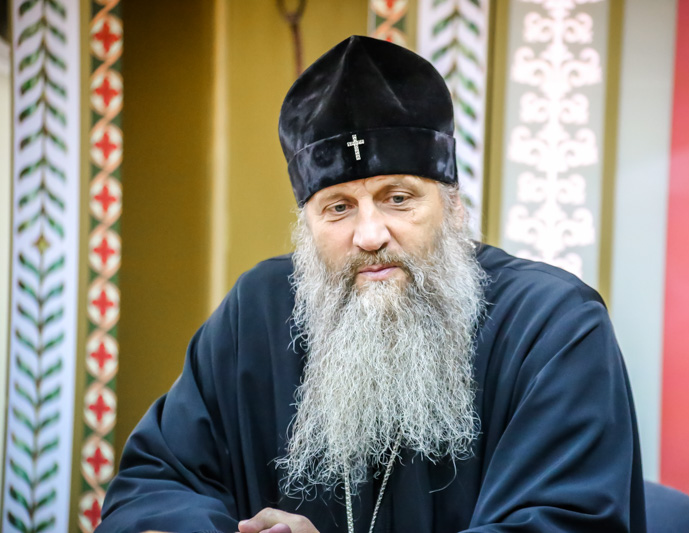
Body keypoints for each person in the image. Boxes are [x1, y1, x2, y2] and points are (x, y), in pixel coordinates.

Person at [98, 35, 646, 533]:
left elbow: (564, 522)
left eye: (397, 198)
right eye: (338, 207)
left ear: (453, 207)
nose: (369, 235)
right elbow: (153, 486)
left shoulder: (553, 325)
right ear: (307, 225)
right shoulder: (257, 313)